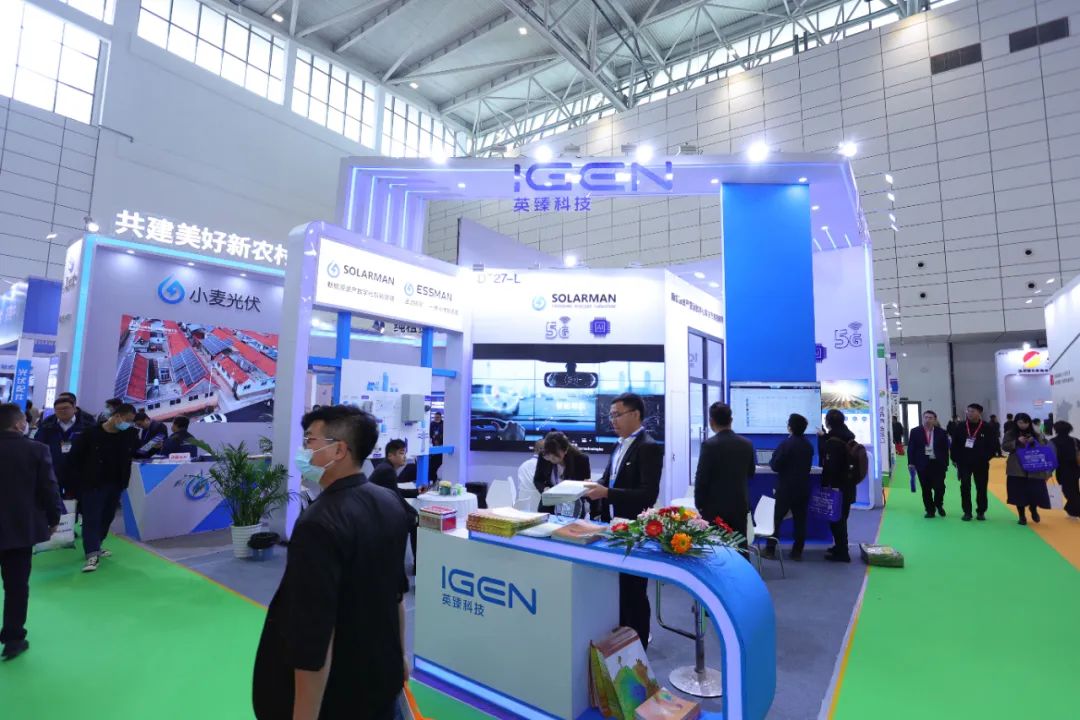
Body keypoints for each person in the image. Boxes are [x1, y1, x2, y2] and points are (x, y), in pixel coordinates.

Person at [253, 405, 411, 720]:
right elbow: (397, 596)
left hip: (340, 695)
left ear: (339, 450)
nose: (303, 451)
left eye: (310, 441)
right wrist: (401, 656)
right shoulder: (390, 502)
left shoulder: (318, 523)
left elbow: (314, 637)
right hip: (381, 679)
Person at [584, 393, 663, 650]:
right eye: (611, 415)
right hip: (612, 528)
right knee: (617, 591)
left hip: (634, 532)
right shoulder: (618, 445)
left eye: (617, 415)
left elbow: (647, 494)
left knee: (634, 593)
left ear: (635, 414)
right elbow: (610, 479)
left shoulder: (649, 446)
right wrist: (593, 486)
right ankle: (621, 646)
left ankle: (639, 649)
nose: (612, 420)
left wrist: (607, 492)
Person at [0, 403, 62, 661]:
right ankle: (13, 639)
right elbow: (49, 487)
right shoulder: (36, 450)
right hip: (20, 528)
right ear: (18, 423)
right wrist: (54, 517)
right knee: (16, 586)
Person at [68, 403, 139, 573]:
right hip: (93, 483)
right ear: (117, 416)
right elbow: (74, 458)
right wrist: (75, 482)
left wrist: (153, 448)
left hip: (116, 483)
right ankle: (91, 553)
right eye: (127, 420)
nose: (128, 424)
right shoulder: (90, 433)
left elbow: (137, 452)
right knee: (91, 518)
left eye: (131, 421)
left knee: (107, 517)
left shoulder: (129, 434)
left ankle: (97, 545)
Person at [694, 402, 754, 546]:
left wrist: (700, 505)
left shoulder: (709, 445)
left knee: (716, 549)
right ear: (731, 420)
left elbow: (701, 479)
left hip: (714, 509)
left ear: (711, 422)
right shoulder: (747, 444)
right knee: (740, 547)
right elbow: (750, 473)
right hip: (739, 506)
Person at [765, 413, 814, 561]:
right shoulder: (808, 445)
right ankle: (797, 552)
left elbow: (775, 465)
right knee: (800, 521)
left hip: (785, 488)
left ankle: (770, 550)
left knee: (776, 519)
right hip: (803, 488)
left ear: (790, 427)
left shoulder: (786, 444)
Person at [369, 439, 420, 571]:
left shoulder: (385, 467)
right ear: (391, 455)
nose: (405, 457)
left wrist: (416, 492)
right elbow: (397, 497)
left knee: (413, 517)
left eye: (405, 453)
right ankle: (418, 565)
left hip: (376, 510)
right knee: (415, 521)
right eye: (401, 453)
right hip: (377, 515)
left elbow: (395, 491)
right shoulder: (387, 471)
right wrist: (413, 512)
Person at [34, 396, 95, 499]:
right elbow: (38, 445)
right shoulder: (47, 424)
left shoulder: (86, 426)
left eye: (66, 408)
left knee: (76, 503)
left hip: (79, 472)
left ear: (74, 409)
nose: (62, 411)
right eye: (58, 409)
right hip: (53, 471)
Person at [819, 409, 857, 562]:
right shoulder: (847, 437)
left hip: (836, 487)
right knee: (842, 518)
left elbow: (831, 466)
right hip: (848, 485)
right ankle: (840, 547)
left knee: (837, 520)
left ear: (828, 422)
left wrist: (826, 484)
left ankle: (843, 552)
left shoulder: (833, 442)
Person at [1002, 413, 1052, 525]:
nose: (1023, 425)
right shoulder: (1010, 433)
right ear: (1016, 422)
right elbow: (1004, 447)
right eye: (1020, 422)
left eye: (1026, 422)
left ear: (1029, 423)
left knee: (1034, 491)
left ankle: (1033, 509)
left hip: (1034, 467)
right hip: (1017, 468)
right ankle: (1021, 515)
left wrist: (1034, 442)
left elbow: (1044, 446)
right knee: (1018, 493)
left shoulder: (1036, 434)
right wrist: (1017, 442)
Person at [949, 403, 995, 522]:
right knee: (965, 487)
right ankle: (967, 512)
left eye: (973, 411)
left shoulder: (987, 427)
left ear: (979, 413)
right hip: (964, 463)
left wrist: (985, 458)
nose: (969, 413)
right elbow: (954, 444)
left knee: (981, 487)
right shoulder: (960, 426)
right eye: (968, 411)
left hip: (981, 463)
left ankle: (981, 511)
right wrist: (955, 459)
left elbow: (993, 446)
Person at [908, 410, 950, 518]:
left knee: (940, 487)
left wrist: (946, 464)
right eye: (926, 417)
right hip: (922, 464)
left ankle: (939, 504)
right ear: (923, 418)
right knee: (926, 489)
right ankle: (930, 510)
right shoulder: (915, 431)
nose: (927, 420)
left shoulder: (941, 432)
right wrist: (911, 462)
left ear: (935, 420)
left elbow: (945, 449)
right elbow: (911, 448)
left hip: (938, 464)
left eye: (930, 418)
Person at [538, 431, 592, 515]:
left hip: (573, 506)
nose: (551, 459)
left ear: (565, 450)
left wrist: (586, 485)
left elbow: (586, 482)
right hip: (549, 506)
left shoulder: (581, 459)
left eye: (555, 455)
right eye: (549, 455)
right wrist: (544, 489)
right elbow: (538, 479)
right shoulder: (543, 456)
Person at [1051, 421, 1080, 519]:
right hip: (1076, 468)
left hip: (1061, 469)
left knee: (1069, 491)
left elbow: (1050, 457)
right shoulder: (1075, 440)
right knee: (1074, 490)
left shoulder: (1053, 441)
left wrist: (1047, 472)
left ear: (1056, 430)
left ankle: (1075, 511)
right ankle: (1071, 510)